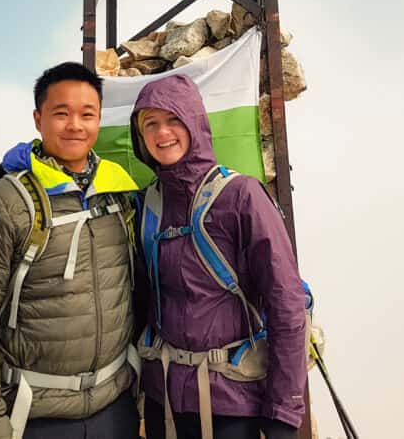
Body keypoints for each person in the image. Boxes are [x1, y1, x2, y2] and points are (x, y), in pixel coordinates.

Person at [0, 62, 141, 439]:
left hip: (116, 408)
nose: (75, 125)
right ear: (38, 119)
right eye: (61, 113)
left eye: (87, 114)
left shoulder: (120, 192)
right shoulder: (3, 202)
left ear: (99, 120)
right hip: (36, 414)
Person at [130, 74, 307, 439]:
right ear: (141, 136)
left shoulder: (241, 196)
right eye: (151, 124)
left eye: (174, 119)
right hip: (165, 403)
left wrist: (283, 413)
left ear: (194, 121)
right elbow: (138, 301)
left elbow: (285, 303)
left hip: (233, 403)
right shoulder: (147, 204)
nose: (163, 133)